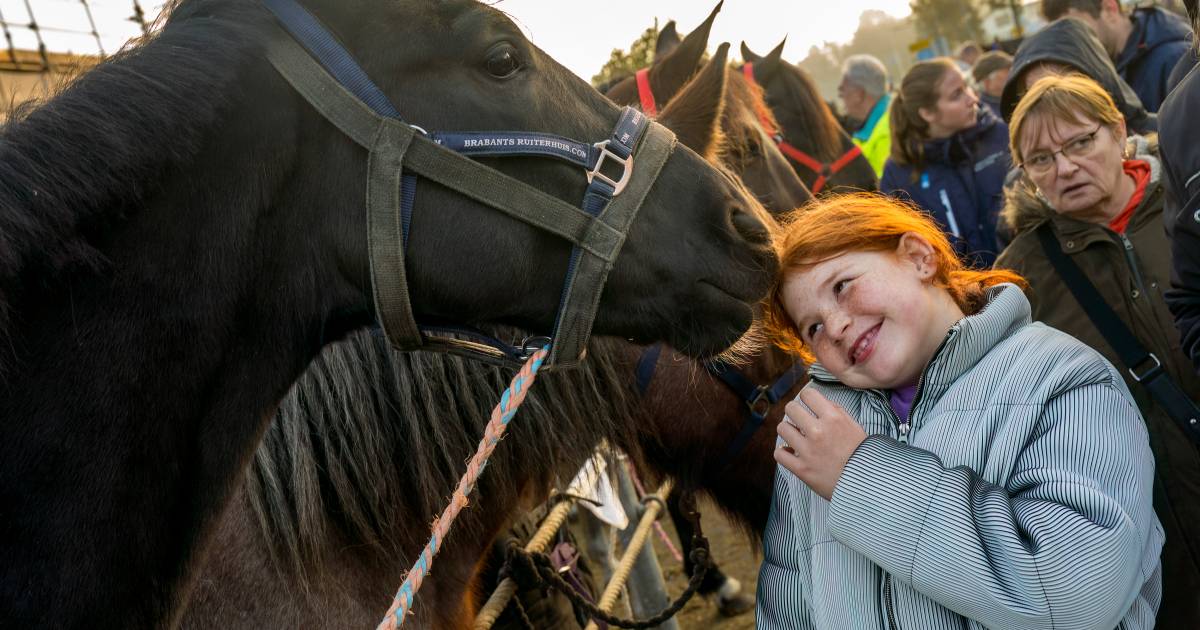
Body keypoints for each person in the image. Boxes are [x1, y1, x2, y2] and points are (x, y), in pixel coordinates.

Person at [756, 193, 1162, 629]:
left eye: (843, 286)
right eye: (812, 327)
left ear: (918, 257)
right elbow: (788, 611)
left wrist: (861, 477)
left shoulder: (1062, 378)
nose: (834, 327)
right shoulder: (812, 433)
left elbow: (1074, 594)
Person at [995, 73, 1200, 627]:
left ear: (1120, 133)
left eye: (1080, 142)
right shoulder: (1020, 278)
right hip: (1143, 539)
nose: (1064, 168)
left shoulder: (1189, 210)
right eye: (1040, 159)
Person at [881, 58, 1010, 267]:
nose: (972, 99)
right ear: (928, 113)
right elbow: (904, 256)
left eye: (967, 87)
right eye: (956, 95)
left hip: (1026, 281)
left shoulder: (1001, 136)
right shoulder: (899, 174)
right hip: (963, 294)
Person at [1001, 17, 1157, 134]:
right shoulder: (1027, 174)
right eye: (1036, 93)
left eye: (1063, 86)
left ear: (1096, 78)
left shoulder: (1166, 135)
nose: (1050, 100)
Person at [1041, 0, 1192, 112]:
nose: (1075, 43)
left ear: (1109, 9)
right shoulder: (1106, 65)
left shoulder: (1175, 57)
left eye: (1078, 29)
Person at [839, 54, 892, 177]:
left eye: (843, 90)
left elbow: (887, 191)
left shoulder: (889, 134)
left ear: (859, 94)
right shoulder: (865, 132)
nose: (841, 97)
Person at [972, 50, 1013, 118]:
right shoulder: (987, 116)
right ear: (987, 82)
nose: (1011, 73)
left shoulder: (1013, 98)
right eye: (1006, 70)